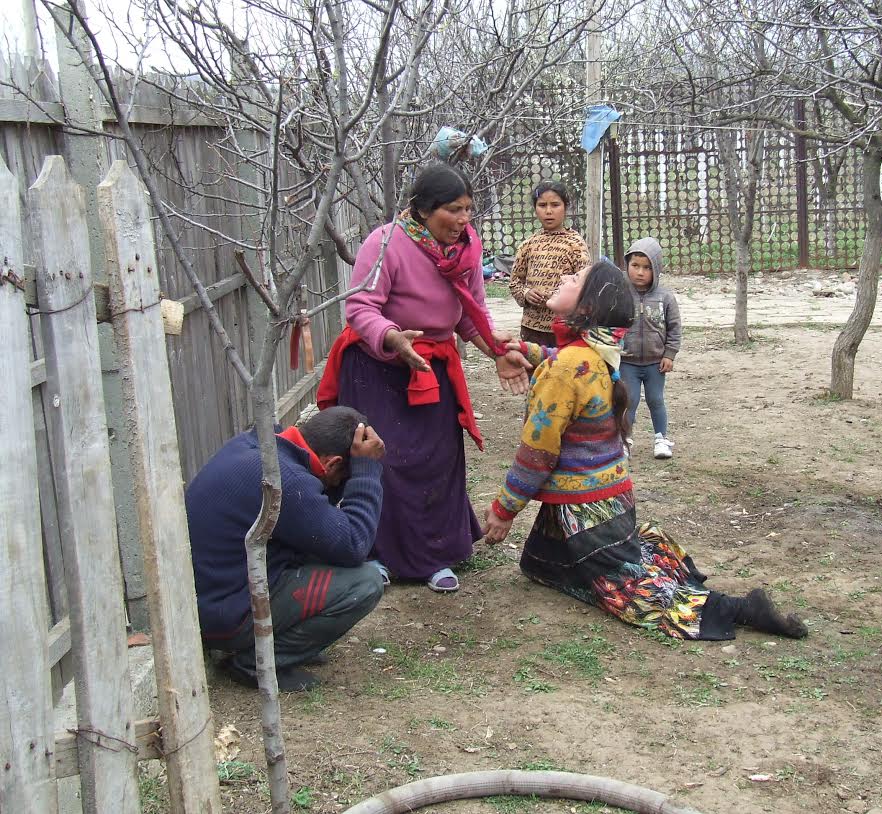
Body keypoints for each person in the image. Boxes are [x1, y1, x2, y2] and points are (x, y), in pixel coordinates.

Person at [481, 260, 807, 642]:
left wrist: (504, 511)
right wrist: (522, 348)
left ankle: (739, 608)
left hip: (587, 511)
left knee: (636, 594)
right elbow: (562, 361)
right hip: (608, 501)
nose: (565, 277)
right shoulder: (593, 352)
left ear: (587, 307)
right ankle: (602, 560)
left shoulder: (568, 367)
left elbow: (537, 454)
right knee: (539, 564)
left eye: (576, 278)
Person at [317, 163, 530, 594]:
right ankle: (376, 555)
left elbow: (470, 312)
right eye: (454, 209)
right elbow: (360, 309)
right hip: (376, 366)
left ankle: (435, 555)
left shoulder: (468, 248)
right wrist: (393, 338)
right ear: (424, 209)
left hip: (432, 366)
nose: (464, 219)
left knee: (437, 460)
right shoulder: (386, 243)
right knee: (383, 459)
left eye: (468, 209)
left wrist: (495, 351)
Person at [186, 406, 387, 692]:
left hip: (210, 598)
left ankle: (277, 641)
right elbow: (354, 544)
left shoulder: (262, 445)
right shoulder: (284, 481)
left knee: (323, 547)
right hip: (227, 616)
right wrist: (366, 472)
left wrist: (342, 476)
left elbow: (320, 526)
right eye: (342, 477)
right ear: (332, 464)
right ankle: (258, 663)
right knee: (365, 583)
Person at [620, 237, 681, 460]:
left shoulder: (665, 297)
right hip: (627, 361)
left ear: (656, 269)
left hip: (656, 363)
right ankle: (624, 440)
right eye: (635, 265)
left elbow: (674, 328)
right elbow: (610, 325)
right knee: (629, 401)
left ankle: (661, 439)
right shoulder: (620, 294)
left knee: (656, 400)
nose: (640, 272)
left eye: (647, 267)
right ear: (627, 265)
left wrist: (669, 354)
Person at [509, 180, 591, 347]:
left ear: (566, 207)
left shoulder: (575, 244)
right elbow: (515, 282)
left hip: (565, 328)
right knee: (534, 363)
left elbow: (585, 284)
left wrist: (558, 297)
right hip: (532, 328)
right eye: (542, 205)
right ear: (535, 208)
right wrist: (526, 293)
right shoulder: (528, 245)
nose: (548, 211)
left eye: (555, 205)